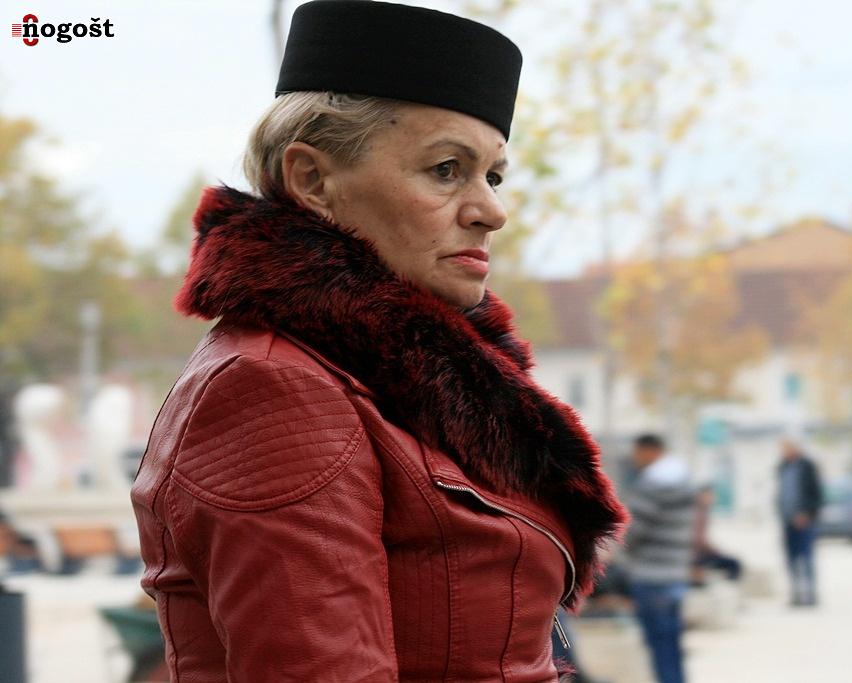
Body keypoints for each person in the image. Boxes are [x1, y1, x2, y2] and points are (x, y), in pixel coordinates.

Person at [130, 2, 628, 681]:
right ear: (313, 181)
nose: (492, 211)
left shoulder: (404, 382)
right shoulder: (275, 390)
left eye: (492, 175)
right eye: (446, 169)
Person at [621, 434, 696, 683]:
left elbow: (633, 531)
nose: (635, 459)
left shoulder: (653, 485)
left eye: (636, 452)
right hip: (674, 573)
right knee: (672, 645)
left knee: (659, 645)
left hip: (651, 575)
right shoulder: (682, 481)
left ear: (650, 451)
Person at [776, 437, 823, 607]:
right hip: (787, 520)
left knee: (806, 558)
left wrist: (806, 514)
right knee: (791, 559)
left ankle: (810, 594)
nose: (783, 451)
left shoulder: (808, 467)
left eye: (787, 448)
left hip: (805, 521)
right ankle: (795, 593)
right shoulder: (782, 467)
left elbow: (816, 494)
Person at [691, 484, 743, 585]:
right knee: (734, 564)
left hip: (699, 555)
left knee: (733, 563)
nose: (711, 499)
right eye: (708, 496)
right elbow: (698, 540)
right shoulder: (696, 513)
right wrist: (713, 551)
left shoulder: (703, 513)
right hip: (695, 557)